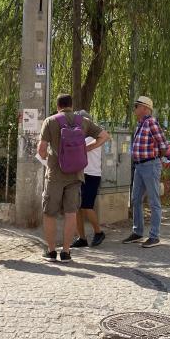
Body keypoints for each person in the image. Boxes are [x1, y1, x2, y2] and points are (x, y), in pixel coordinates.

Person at [38, 95, 109, 262]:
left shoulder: (50, 121)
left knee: (49, 213)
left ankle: (50, 251)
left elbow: (42, 149)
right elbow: (104, 136)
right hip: (76, 173)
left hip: (55, 174)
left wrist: (47, 159)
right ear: (71, 105)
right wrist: (87, 148)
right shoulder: (83, 121)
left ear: (58, 106)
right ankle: (66, 252)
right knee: (71, 213)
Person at [122, 96, 168, 248]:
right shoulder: (140, 125)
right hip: (139, 166)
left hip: (150, 165)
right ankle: (138, 232)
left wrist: (155, 161)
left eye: (137, 106)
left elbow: (163, 145)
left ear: (145, 108)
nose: (134, 108)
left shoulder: (151, 122)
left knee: (154, 201)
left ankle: (154, 236)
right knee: (135, 199)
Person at [71, 110, 105, 248]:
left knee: (86, 206)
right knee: (78, 207)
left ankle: (99, 232)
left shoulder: (91, 136)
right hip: (81, 174)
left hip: (92, 175)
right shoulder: (83, 135)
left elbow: (79, 149)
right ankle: (82, 238)